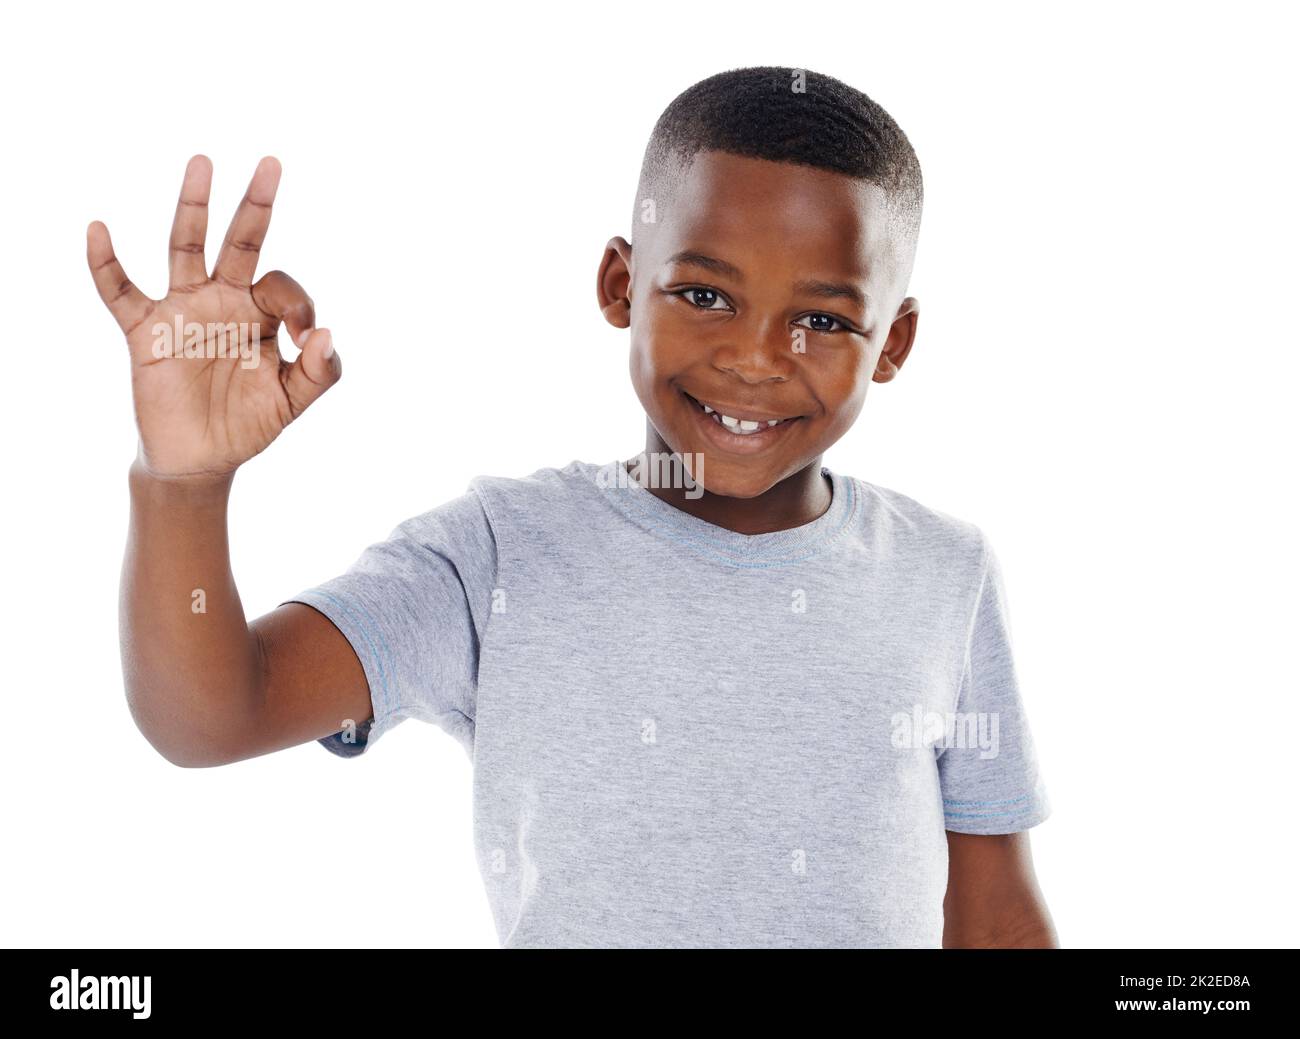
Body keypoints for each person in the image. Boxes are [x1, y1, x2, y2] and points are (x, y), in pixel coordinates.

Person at [87, 66, 1056, 948]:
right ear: (619, 285)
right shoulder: (500, 556)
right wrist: (182, 483)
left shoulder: (944, 573)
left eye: (822, 320)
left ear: (892, 342)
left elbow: (994, 909)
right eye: (704, 294)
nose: (755, 357)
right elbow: (209, 717)